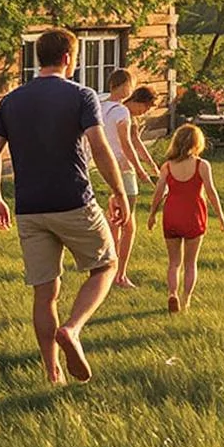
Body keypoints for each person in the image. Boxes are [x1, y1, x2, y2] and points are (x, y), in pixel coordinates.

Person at [0, 27, 130, 386]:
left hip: (29, 207)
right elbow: (98, 146)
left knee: (45, 292)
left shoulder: (12, 100)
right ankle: (73, 329)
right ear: (68, 58)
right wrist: (119, 191)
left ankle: (52, 372)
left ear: (39, 58)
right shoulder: (81, 95)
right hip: (72, 200)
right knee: (106, 265)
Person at [148, 123, 224, 313]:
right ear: (197, 143)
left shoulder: (167, 166)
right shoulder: (202, 165)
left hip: (172, 214)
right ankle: (186, 300)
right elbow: (211, 192)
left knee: (174, 262)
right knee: (191, 263)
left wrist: (152, 214)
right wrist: (221, 218)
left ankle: (172, 293)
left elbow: (158, 192)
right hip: (194, 215)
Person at [96, 69, 159, 290]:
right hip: (123, 170)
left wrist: (150, 165)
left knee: (117, 223)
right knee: (124, 226)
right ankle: (118, 275)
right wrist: (141, 171)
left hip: (104, 168)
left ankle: (110, 272)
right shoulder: (121, 111)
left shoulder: (100, 106)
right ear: (124, 86)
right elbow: (127, 145)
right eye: (130, 85)